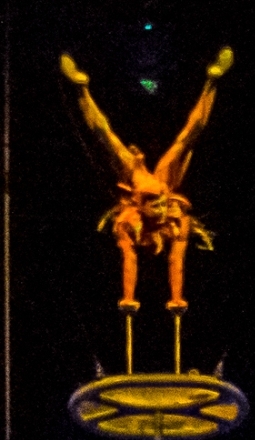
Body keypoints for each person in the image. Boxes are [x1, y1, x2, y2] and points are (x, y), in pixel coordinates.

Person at [53, 46, 233, 313]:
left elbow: (175, 258)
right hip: (153, 182)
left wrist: (162, 299)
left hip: (141, 181)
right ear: (141, 205)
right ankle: (212, 81)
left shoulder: (150, 214)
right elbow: (142, 259)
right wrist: (170, 299)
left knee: (110, 140)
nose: (161, 210)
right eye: (157, 206)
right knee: (183, 137)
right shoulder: (146, 219)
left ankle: (82, 89)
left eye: (160, 205)